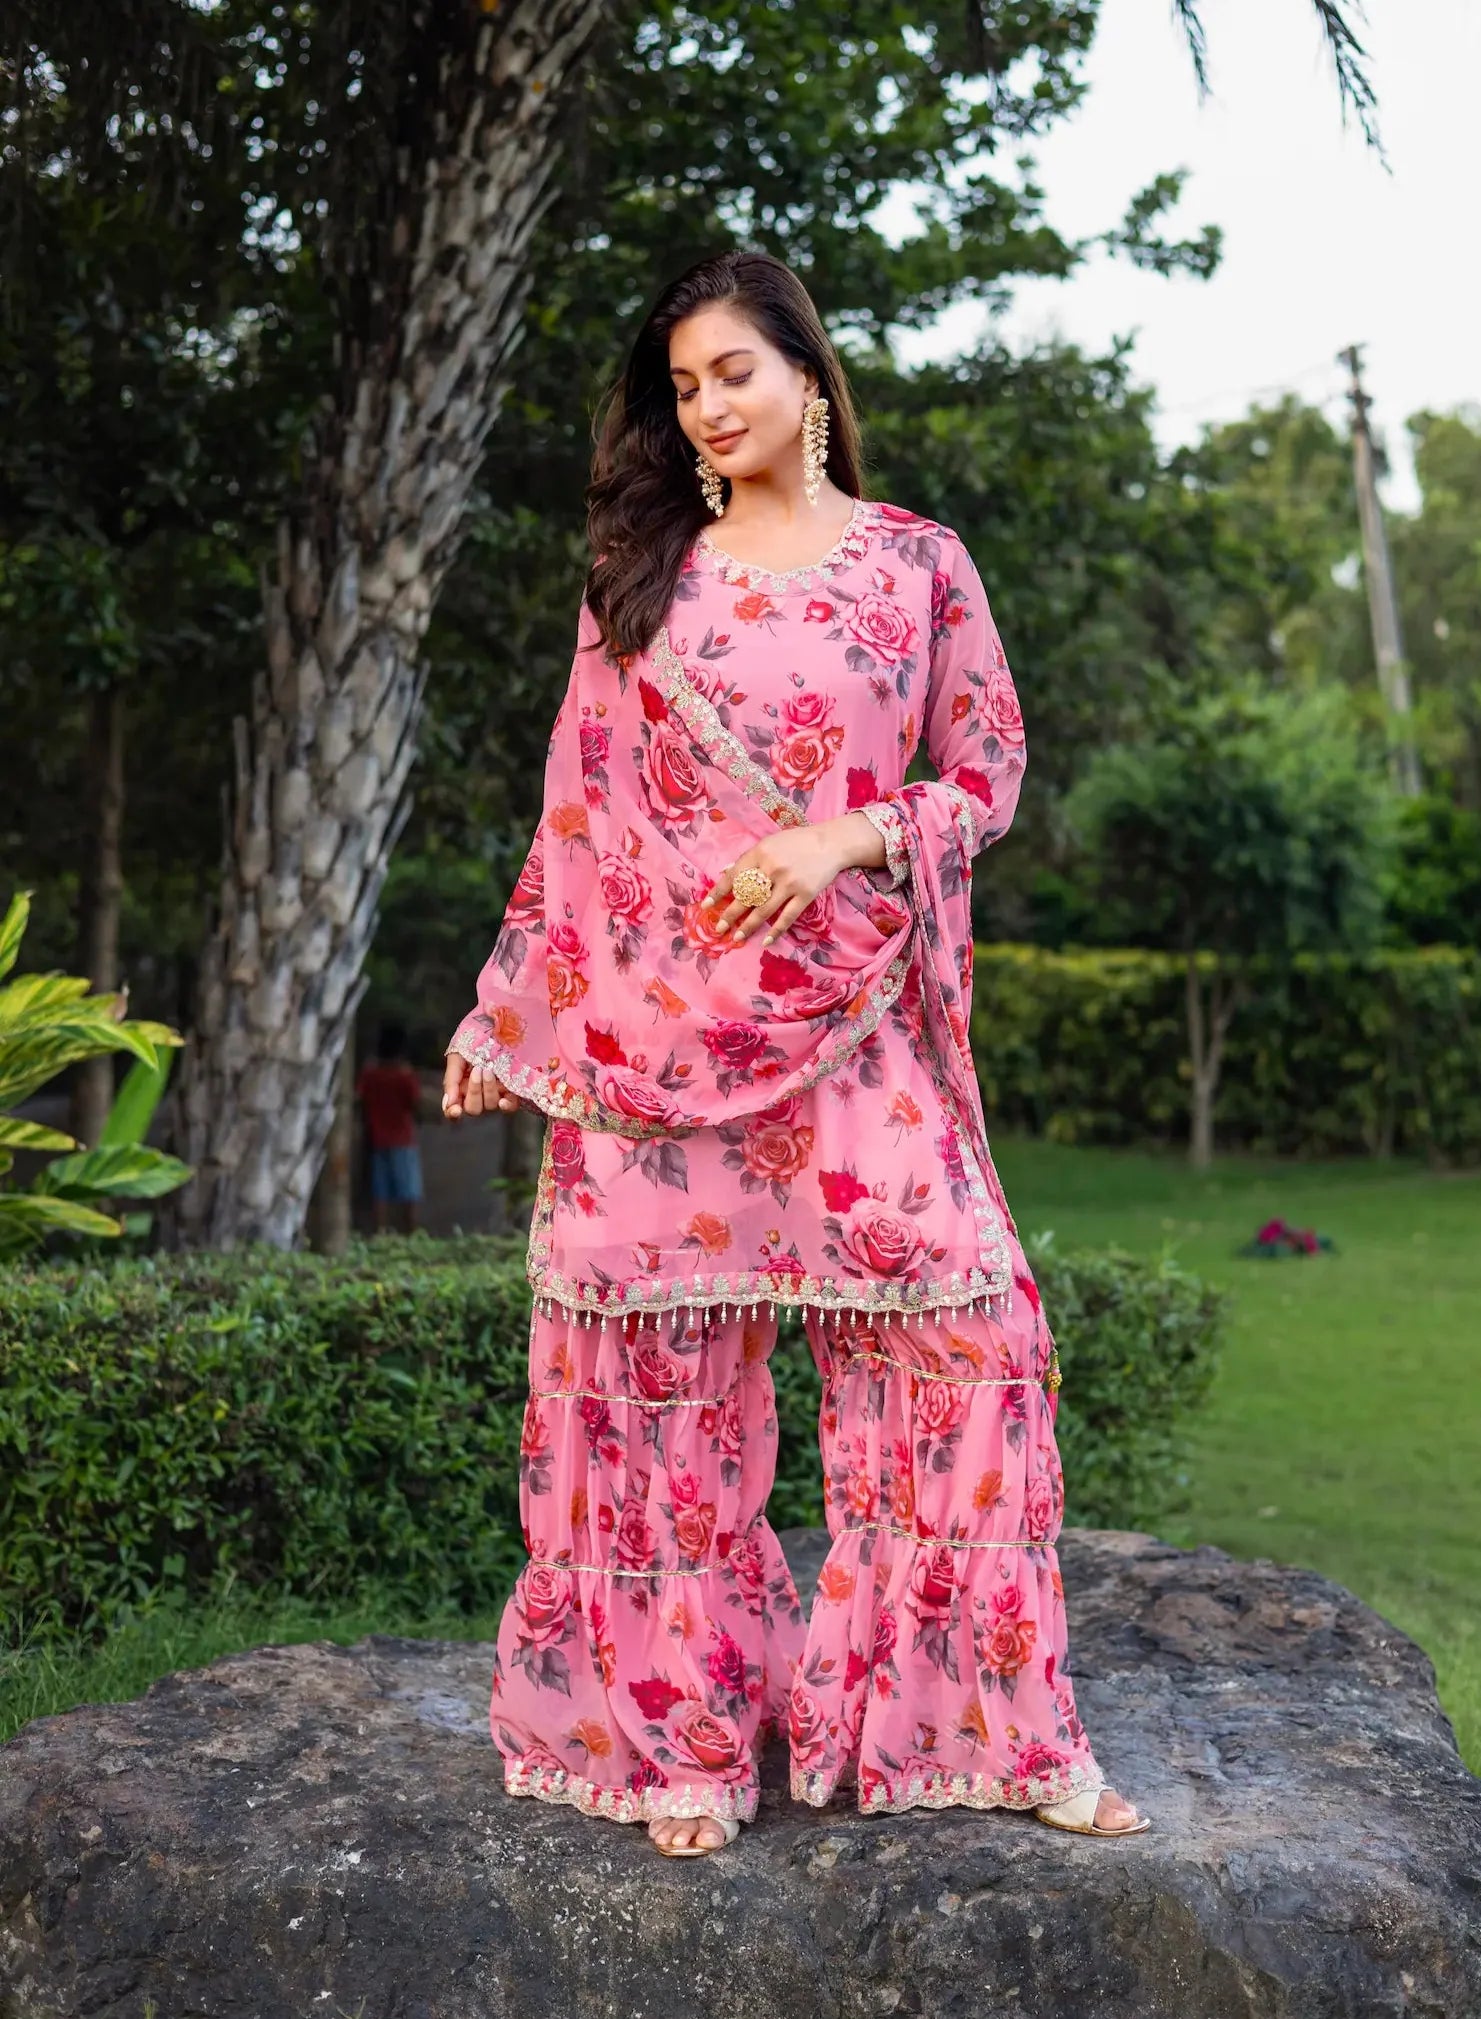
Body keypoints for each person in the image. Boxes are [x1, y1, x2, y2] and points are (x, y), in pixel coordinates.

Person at [441, 249, 1151, 1857]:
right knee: (656, 1384)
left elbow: (985, 767)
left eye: (733, 371)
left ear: (807, 377)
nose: (707, 406)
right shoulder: (643, 581)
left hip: (859, 1018)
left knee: (970, 1343)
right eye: (682, 384)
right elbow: (577, 817)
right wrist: (509, 1009)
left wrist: (846, 837)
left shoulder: (916, 564)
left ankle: (989, 1728)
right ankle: (679, 1739)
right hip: (657, 1042)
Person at [357, 1022, 424, 1234]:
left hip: (376, 1140)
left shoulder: (370, 1075)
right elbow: (416, 1105)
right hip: (403, 1141)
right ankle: (412, 1235)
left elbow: (361, 1100)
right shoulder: (405, 1076)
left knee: (380, 1194)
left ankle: (381, 1234)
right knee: (409, 1194)